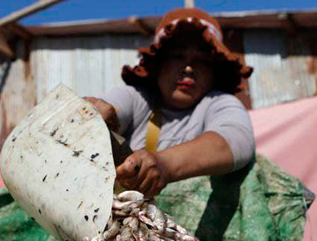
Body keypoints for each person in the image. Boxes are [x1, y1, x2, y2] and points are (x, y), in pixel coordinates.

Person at [86, 8, 255, 199]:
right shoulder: (138, 99)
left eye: (202, 60)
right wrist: (94, 114)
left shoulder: (219, 103)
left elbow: (236, 140)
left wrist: (164, 164)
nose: (189, 68)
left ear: (215, 71)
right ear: (158, 64)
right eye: (177, 56)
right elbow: (111, 110)